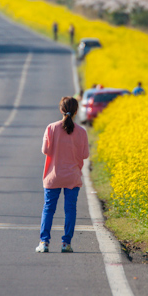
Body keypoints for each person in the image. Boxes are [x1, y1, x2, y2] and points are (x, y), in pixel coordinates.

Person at [37, 96, 89, 254]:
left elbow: (45, 150)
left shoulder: (51, 128)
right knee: (70, 210)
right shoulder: (82, 132)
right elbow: (85, 155)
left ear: (61, 110)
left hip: (53, 176)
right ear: (76, 111)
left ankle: (44, 243)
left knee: (48, 209)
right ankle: (66, 243)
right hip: (72, 176)